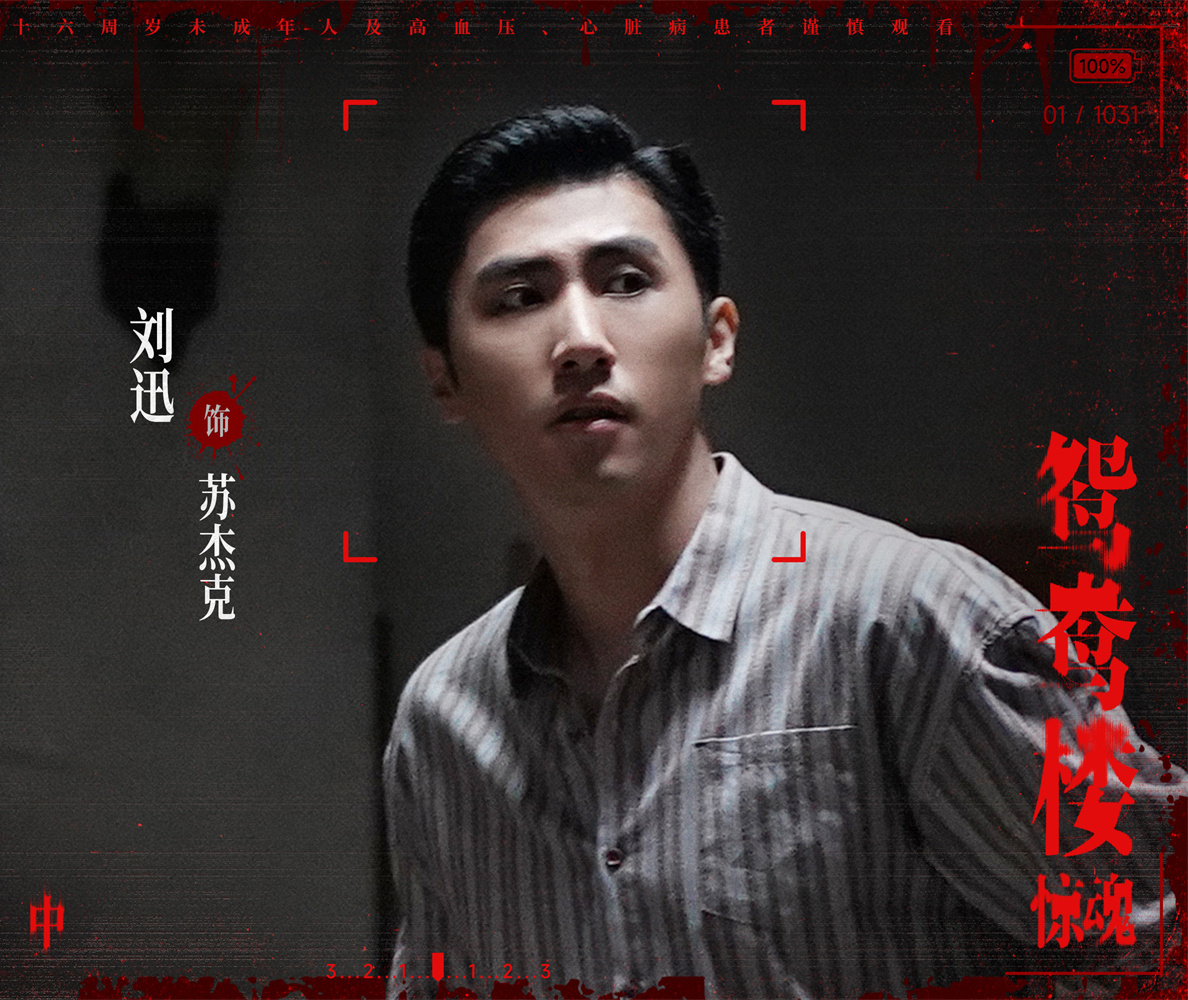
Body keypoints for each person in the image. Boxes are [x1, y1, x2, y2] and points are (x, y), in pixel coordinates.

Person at [382, 106, 1182, 999]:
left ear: (716, 339)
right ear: (445, 379)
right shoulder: (443, 721)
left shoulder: (908, 623)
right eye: (520, 298)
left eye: (626, 281)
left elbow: (1155, 955)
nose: (581, 341)